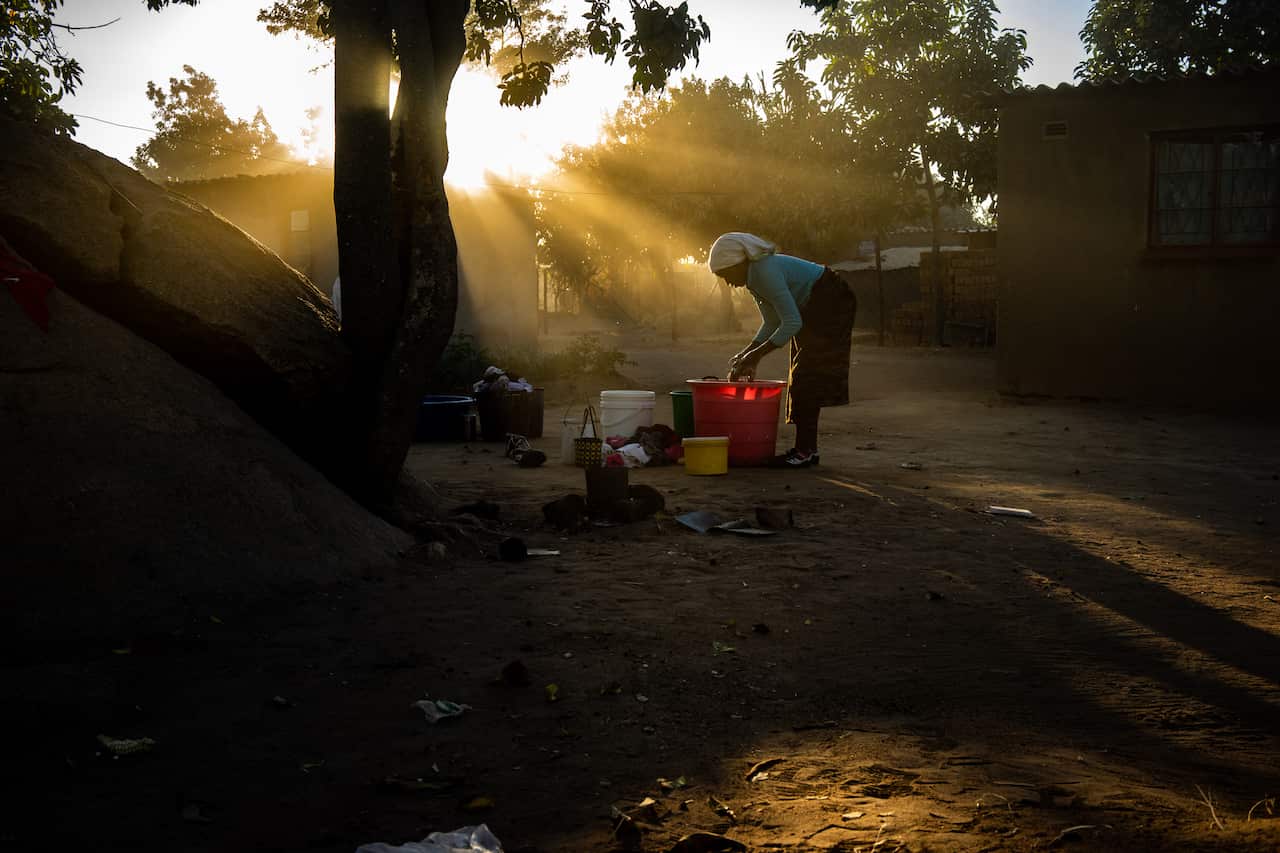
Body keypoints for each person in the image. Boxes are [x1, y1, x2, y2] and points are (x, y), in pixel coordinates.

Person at [708, 232, 857, 468]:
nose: (727, 282)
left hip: (832, 300)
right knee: (803, 374)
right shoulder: (753, 278)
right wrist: (747, 354)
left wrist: (754, 356)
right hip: (817, 303)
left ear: (741, 263)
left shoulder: (763, 271)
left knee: (807, 374)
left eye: (727, 275)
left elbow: (791, 323)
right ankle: (806, 450)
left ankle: (805, 451)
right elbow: (771, 322)